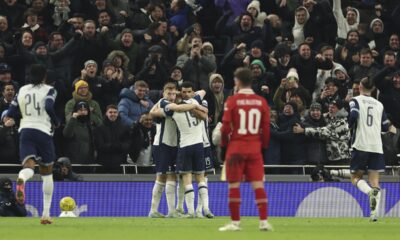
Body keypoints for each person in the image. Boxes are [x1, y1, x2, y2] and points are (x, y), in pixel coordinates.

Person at [219, 67, 272, 231]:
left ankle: (235, 223)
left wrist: (223, 146)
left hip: (236, 148)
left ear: (238, 81)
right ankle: (263, 222)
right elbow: (266, 129)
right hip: (254, 149)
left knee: (234, 186)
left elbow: (225, 127)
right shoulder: (261, 102)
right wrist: (263, 147)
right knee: (258, 185)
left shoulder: (232, 101)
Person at [6, 64, 60, 224]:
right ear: (44, 76)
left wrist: (9, 118)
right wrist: (56, 121)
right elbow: (49, 106)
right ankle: (45, 214)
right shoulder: (49, 90)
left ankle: (22, 178)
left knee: (28, 167)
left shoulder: (22, 89)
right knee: (47, 172)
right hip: (42, 130)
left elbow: (11, 111)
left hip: (26, 130)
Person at [148, 83, 202, 218]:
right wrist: (195, 105)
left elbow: (202, 92)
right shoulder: (165, 103)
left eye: (173, 94)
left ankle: (161, 211)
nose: (171, 96)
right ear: (164, 94)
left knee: (169, 176)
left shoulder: (168, 102)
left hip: (172, 145)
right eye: (169, 93)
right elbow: (178, 108)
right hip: (163, 145)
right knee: (164, 176)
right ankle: (165, 211)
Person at [348, 77, 389, 222]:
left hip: (361, 144)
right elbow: (385, 126)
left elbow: (353, 115)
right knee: (375, 180)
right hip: (376, 146)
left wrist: (350, 127)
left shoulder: (355, 100)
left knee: (355, 178)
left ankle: (369, 192)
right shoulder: (379, 104)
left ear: (359, 86)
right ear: (372, 89)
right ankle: (374, 215)